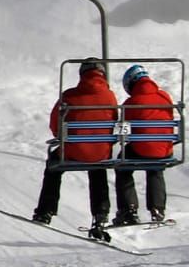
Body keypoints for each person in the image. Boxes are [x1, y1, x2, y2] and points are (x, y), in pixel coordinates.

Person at [33, 57, 117, 237]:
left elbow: (56, 125)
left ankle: (45, 212)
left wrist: (62, 137)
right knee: (98, 168)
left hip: (74, 152)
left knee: (53, 167)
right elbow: (115, 122)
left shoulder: (69, 95)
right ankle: (100, 215)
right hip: (100, 152)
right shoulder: (110, 96)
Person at [115, 65, 173, 224]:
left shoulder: (131, 102)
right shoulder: (165, 96)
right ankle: (157, 209)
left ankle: (128, 210)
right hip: (164, 149)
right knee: (155, 168)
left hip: (142, 149)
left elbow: (123, 131)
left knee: (122, 165)